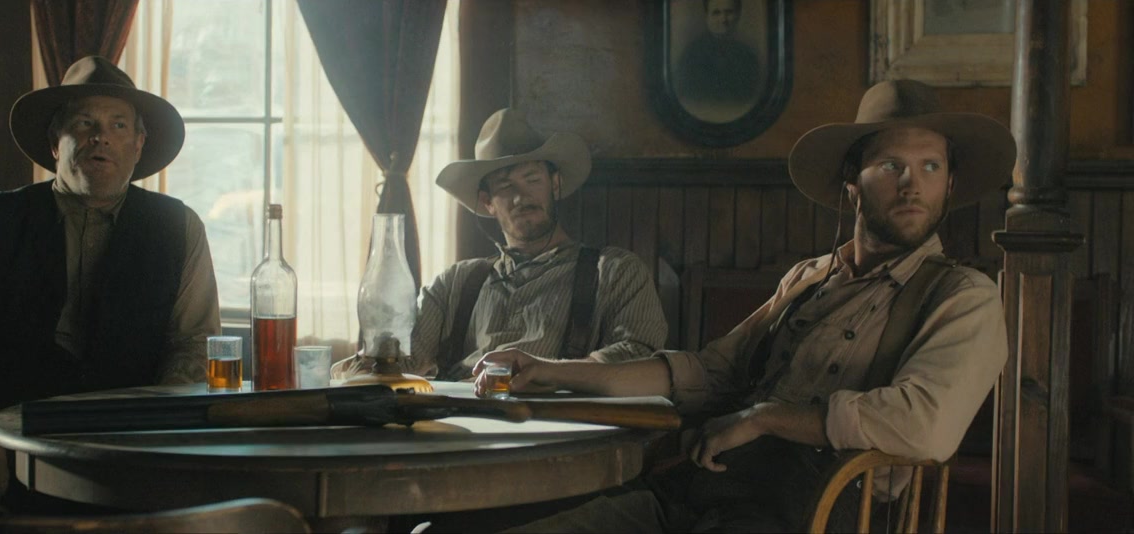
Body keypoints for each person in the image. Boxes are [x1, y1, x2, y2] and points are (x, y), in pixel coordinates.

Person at [479, 80, 1016, 532]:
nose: (912, 186)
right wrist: (550, 370)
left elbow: (923, 426)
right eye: (892, 165)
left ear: (950, 184)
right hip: (702, 494)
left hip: (809, 517)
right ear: (852, 183)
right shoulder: (809, 278)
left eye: (931, 167)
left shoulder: (962, 296)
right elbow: (707, 371)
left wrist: (765, 418)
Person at [0, 56, 221, 504]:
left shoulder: (180, 228)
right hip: (5, 452)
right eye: (84, 122)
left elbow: (194, 344)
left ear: (138, 145)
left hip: (131, 456)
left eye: (118, 125)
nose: (100, 137)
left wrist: (154, 422)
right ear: (55, 142)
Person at [333, 108, 667, 381]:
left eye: (532, 180)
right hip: (460, 424)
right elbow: (401, 362)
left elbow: (638, 355)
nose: (521, 197)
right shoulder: (455, 283)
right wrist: (353, 367)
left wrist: (548, 373)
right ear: (487, 202)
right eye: (506, 187)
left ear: (555, 184)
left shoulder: (614, 271)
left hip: (557, 426)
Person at [675, 0, 760, 110]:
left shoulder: (748, 56)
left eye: (729, 12)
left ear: (738, 15)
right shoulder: (691, 55)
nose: (723, 19)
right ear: (706, 17)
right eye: (716, 13)